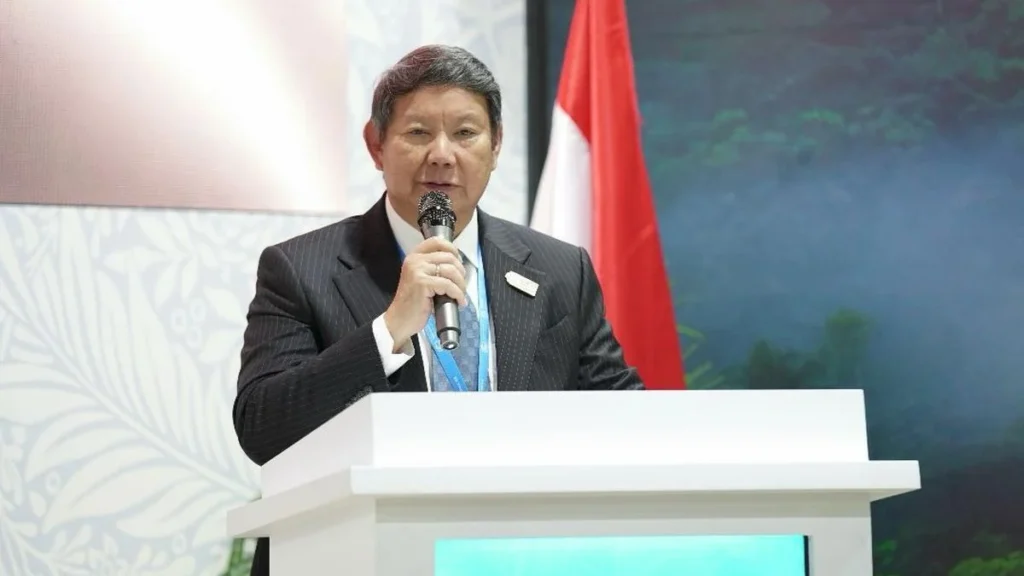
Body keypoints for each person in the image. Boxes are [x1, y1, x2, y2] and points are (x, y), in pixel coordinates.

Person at [232, 44, 643, 576]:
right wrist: (386, 332)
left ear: (496, 145)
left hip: (518, 554)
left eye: (466, 133)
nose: (443, 155)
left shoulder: (560, 270)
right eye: (419, 132)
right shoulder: (300, 269)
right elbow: (263, 428)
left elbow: (625, 416)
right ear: (376, 145)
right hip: (358, 556)